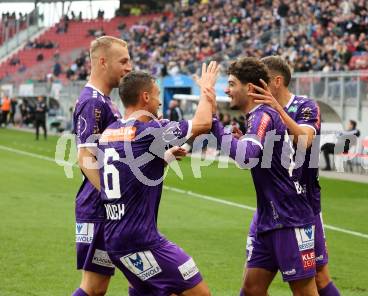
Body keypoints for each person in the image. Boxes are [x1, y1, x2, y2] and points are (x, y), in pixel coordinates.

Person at [96, 63, 218, 295]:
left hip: (114, 237)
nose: (159, 102)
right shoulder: (148, 131)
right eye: (157, 95)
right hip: (141, 240)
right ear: (145, 97)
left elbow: (129, 170)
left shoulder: (109, 132)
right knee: (201, 293)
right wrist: (206, 89)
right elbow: (203, 124)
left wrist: (163, 158)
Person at [211, 57, 318, 296]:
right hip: (268, 218)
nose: (227, 90)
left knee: (305, 292)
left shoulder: (263, 115)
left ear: (249, 88)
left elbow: (246, 157)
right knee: (252, 290)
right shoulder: (257, 117)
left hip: (290, 217)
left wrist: (214, 125)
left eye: (231, 84)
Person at [245, 56, 340, 296]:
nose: (255, 85)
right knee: (252, 286)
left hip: (302, 207)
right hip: (269, 207)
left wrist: (277, 110)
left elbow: (305, 140)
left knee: (318, 277)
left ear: (276, 81)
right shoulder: (260, 112)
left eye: (261, 80)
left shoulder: (306, 106)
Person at [71, 36, 132, 296]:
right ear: (103, 62)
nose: (129, 67)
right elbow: (85, 157)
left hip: (105, 208)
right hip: (99, 209)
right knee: (94, 287)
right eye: (124, 61)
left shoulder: (106, 101)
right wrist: (111, 196)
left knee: (102, 285)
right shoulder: (93, 102)